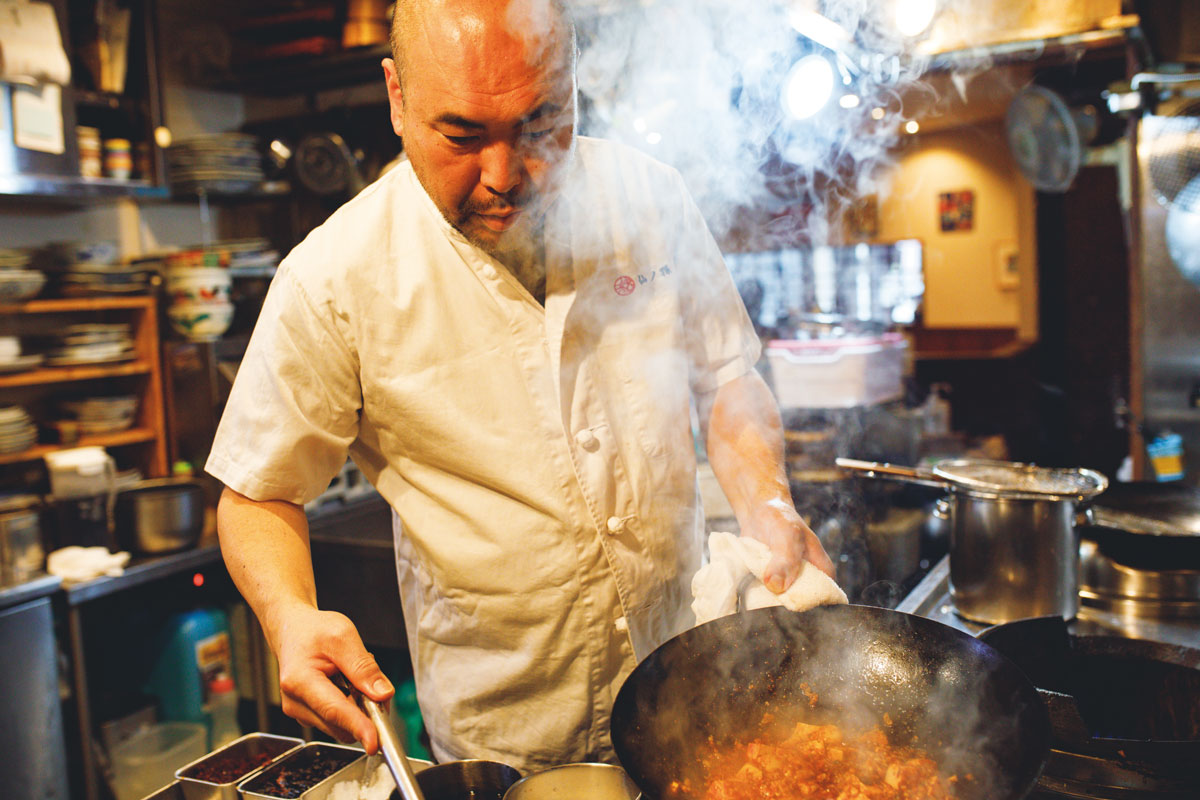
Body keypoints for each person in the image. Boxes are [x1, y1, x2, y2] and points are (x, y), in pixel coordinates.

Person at [207, 0, 835, 775]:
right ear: (398, 98)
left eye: (539, 126)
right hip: (505, 744)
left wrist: (767, 504)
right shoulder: (335, 276)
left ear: (575, 85)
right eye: (462, 135)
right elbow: (256, 492)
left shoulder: (650, 198)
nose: (503, 177)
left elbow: (728, 380)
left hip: (690, 689)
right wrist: (289, 617)